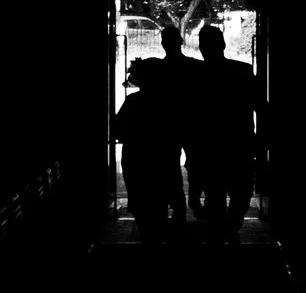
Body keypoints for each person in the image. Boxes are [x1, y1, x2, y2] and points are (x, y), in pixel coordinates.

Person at [186, 24, 262, 243]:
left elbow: (189, 118)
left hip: (208, 150)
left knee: (214, 197)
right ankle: (232, 230)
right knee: (241, 195)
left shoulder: (196, 76)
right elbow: (262, 109)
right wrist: (261, 142)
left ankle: (220, 237)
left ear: (201, 48)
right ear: (224, 44)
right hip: (240, 146)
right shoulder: (244, 71)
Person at [112, 58, 189, 244]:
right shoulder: (172, 103)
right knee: (171, 201)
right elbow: (183, 132)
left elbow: (118, 131)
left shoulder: (132, 102)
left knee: (143, 208)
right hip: (165, 161)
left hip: (137, 161)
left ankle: (150, 243)